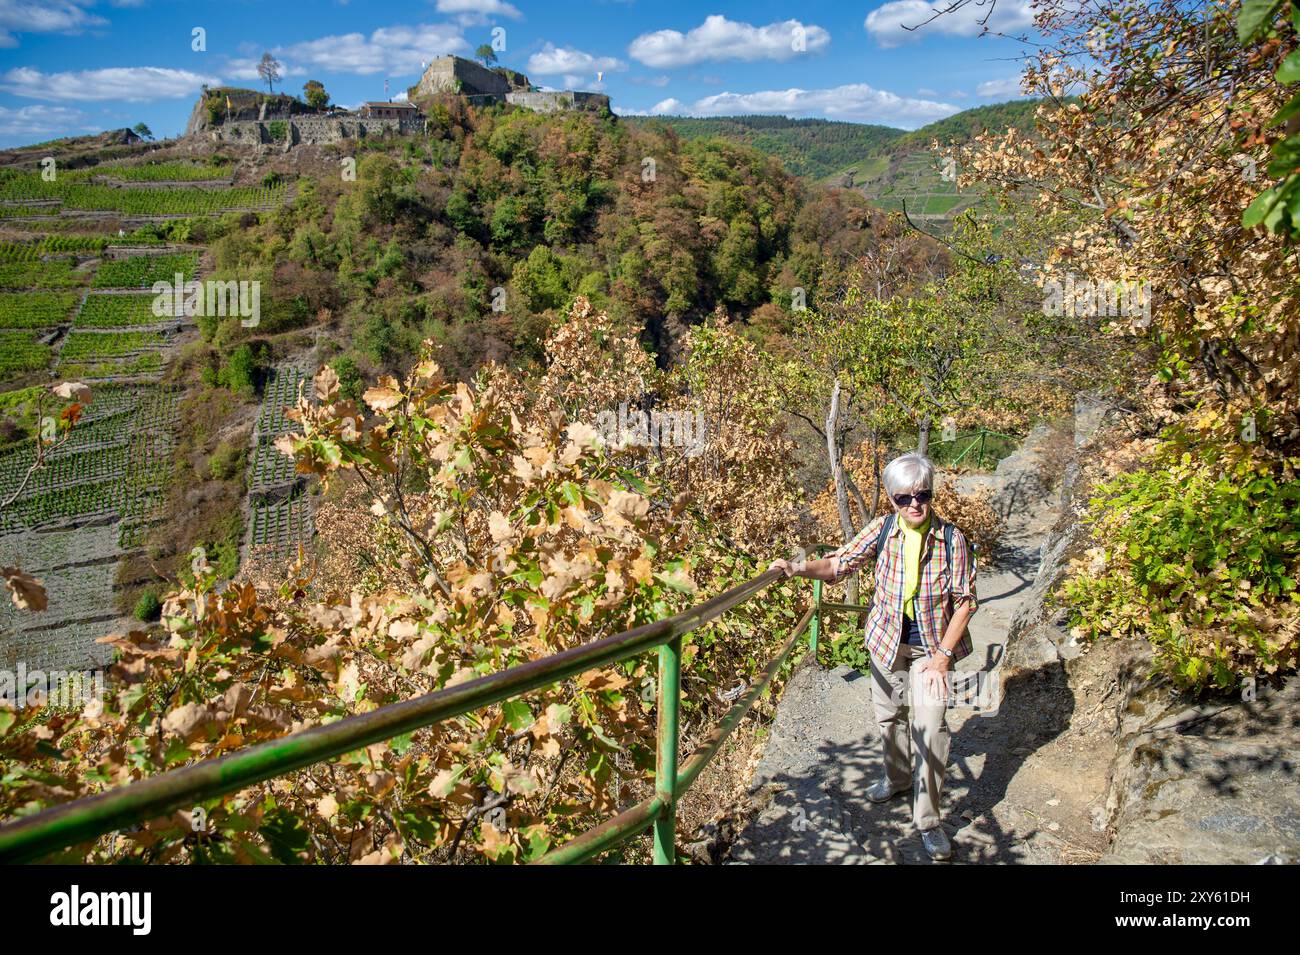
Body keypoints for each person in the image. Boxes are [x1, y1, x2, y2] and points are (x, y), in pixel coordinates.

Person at [769, 451, 977, 861]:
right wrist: (796, 568)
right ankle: (898, 779)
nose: (914, 504)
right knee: (890, 717)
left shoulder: (953, 540)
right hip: (886, 641)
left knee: (931, 729)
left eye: (922, 494)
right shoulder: (882, 530)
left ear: (931, 494)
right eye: (904, 498)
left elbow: (966, 602)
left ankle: (929, 821)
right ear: (891, 500)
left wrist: (942, 658)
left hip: (932, 649)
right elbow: (838, 564)